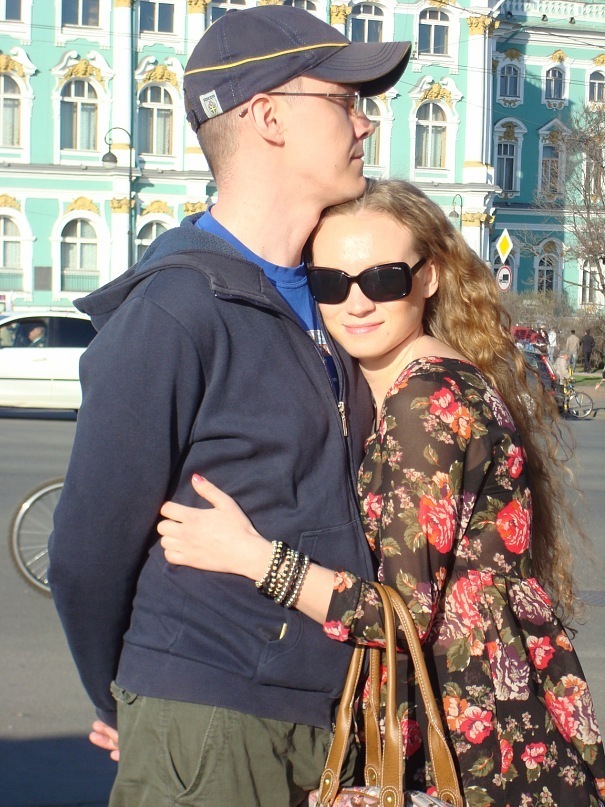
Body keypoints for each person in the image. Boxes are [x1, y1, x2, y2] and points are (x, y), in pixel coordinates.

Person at [47, 8, 411, 806]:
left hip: (330, 713)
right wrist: (132, 694)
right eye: (344, 100)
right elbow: (84, 549)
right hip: (212, 717)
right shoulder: (177, 308)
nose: (365, 122)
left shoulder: (342, 299)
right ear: (268, 116)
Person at [158, 180, 605, 805]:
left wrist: (252, 557)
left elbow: (401, 615)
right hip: (483, 701)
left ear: (430, 277)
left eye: (384, 279)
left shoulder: (426, 401)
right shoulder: (413, 380)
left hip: (469, 727)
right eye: (331, 283)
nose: (357, 303)